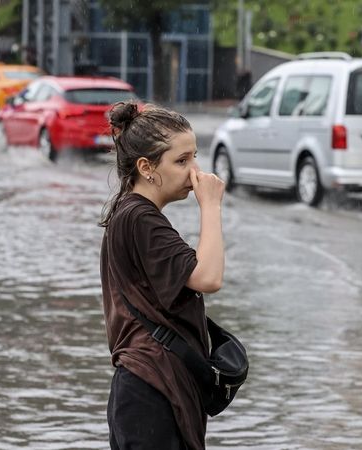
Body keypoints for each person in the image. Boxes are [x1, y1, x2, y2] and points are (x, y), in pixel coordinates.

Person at [99, 102, 226, 449]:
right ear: (147, 167)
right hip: (150, 391)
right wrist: (211, 207)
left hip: (151, 387)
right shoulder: (140, 218)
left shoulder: (133, 213)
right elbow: (209, 277)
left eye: (194, 157)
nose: (195, 172)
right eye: (181, 161)